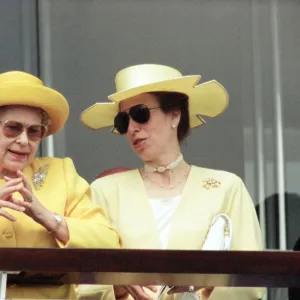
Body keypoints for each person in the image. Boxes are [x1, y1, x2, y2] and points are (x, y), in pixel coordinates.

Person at [80, 64, 263, 300]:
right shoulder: (103, 191)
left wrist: (199, 288)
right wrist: (120, 283)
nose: (133, 128)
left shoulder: (226, 187)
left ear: (175, 115)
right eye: (123, 121)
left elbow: (250, 281)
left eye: (141, 114)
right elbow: (80, 284)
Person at [0, 70, 121, 299]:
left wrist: (52, 220)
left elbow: (109, 243)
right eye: (13, 127)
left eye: (34, 131)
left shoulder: (60, 172)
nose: (24, 140)